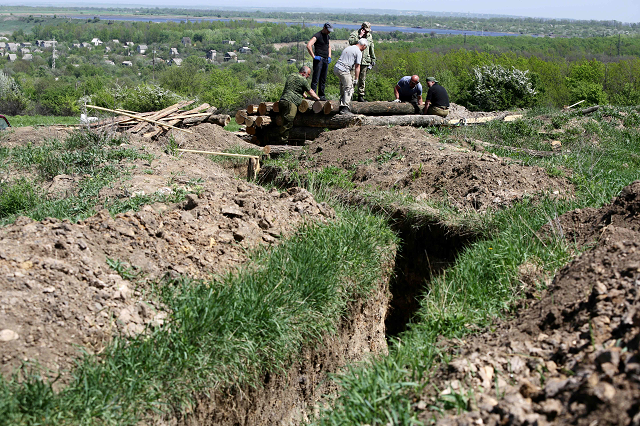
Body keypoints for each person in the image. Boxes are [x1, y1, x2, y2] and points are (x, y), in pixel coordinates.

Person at [275, 66, 320, 143]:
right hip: (290, 102)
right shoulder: (302, 79)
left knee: (283, 121)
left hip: (283, 101)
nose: (308, 76)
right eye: (308, 74)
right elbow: (310, 91)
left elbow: (298, 90)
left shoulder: (291, 76)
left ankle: (279, 139)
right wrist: (318, 99)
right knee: (288, 122)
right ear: (304, 73)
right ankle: (283, 142)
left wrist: (306, 97)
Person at [333, 39, 368, 114]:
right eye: (365, 47)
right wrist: (356, 78)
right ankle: (345, 108)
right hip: (344, 69)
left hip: (336, 67)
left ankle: (341, 104)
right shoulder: (358, 52)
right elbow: (357, 67)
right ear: (363, 45)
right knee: (349, 87)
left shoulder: (349, 48)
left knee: (343, 85)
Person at [348, 22, 376, 102]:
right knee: (352, 79)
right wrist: (359, 36)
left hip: (365, 61)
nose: (367, 32)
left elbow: (371, 47)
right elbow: (351, 42)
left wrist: (373, 58)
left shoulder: (369, 36)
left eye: (368, 31)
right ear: (362, 27)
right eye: (366, 30)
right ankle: (350, 96)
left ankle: (361, 96)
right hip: (354, 60)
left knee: (362, 80)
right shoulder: (355, 34)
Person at [306, 23, 333, 101]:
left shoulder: (327, 36)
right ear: (324, 28)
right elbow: (309, 45)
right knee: (316, 78)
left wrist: (329, 56)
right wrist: (314, 56)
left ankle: (321, 95)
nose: (329, 32)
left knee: (323, 79)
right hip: (319, 59)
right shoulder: (317, 35)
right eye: (328, 30)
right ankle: (313, 95)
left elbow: (329, 46)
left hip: (325, 59)